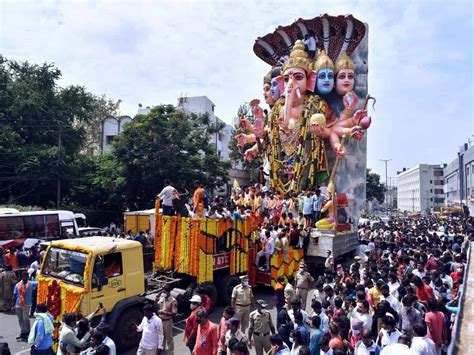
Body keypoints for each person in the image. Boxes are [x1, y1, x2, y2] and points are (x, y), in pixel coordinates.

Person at [13, 271, 38, 340]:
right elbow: (15, 295)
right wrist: (13, 305)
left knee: (25, 319)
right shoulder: (17, 285)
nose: (24, 278)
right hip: (18, 304)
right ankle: (23, 332)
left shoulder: (31, 284)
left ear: (28, 277)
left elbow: (40, 283)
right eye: (23, 276)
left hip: (27, 304)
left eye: (26, 276)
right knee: (20, 319)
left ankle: (28, 332)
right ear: (21, 277)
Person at [156, 285, 177, 354]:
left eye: (164, 291)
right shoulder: (162, 298)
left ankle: (171, 351)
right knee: (161, 337)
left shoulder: (173, 301)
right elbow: (156, 306)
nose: (163, 293)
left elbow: (174, 314)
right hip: (160, 320)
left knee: (169, 338)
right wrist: (157, 297)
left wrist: (164, 312)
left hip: (167, 321)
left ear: (168, 292)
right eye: (163, 291)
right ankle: (162, 349)